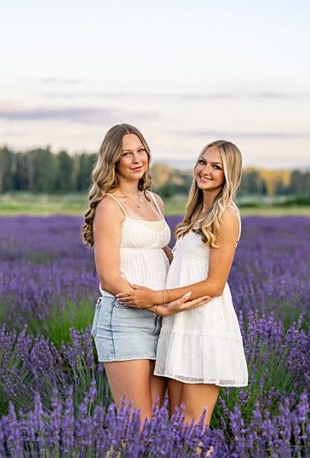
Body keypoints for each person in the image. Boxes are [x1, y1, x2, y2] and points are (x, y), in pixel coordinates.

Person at [82, 123, 212, 422]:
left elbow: (163, 252)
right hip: (127, 320)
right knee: (137, 426)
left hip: (162, 317)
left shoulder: (154, 200)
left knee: (154, 426)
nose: (137, 159)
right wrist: (156, 305)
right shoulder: (109, 206)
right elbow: (109, 278)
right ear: (113, 160)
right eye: (127, 153)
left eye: (141, 150)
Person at [116, 140, 248, 429]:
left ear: (229, 175)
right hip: (180, 324)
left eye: (217, 167)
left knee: (192, 429)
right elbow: (188, 264)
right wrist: (154, 248)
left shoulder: (225, 215)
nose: (206, 170)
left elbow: (214, 284)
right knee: (177, 427)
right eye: (202, 162)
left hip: (203, 326)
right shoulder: (199, 212)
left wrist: (155, 297)